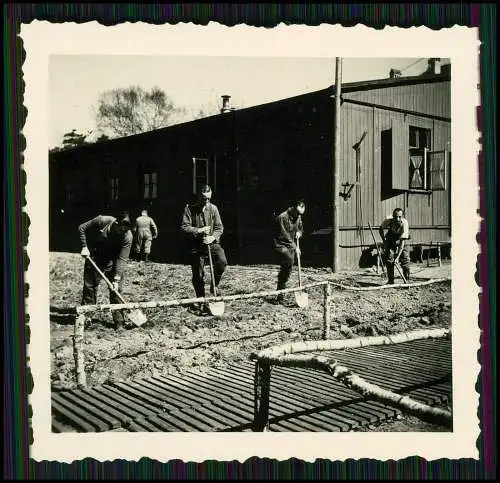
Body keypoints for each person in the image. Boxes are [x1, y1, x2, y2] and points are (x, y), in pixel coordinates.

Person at [78, 211, 133, 329]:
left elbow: (122, 258)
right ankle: (87, 317)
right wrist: (84, 246)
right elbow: (82, 228)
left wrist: (116, 279)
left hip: (113, 261)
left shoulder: (128, 236)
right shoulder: (102, 220)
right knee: (90, 287)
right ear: (116, 223)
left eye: (125, 230)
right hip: (95, 256)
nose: (122, 232)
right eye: (121, 229)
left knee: (116, 290)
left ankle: (119, 322)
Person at [180, 185, 227, 315]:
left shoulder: (213, 209)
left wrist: (212, 237)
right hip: (196, 246)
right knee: (198, 275)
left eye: (209, 199)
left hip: (211, 244)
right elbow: (184, 227)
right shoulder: (189, 209)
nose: (206, 201)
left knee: (222, 261)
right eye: (204, 198)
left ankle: (214, 284)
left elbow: (219, 227)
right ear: (199, 197)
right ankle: (201, 300)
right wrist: (198, 230)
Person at [273, 198, 306, 303]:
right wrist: (295, 247)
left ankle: (280, 294)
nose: (299, 215)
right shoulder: (282, 217)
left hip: (291, 245)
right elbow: (284, 236)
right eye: (297, 212)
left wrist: (299, 233)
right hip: (280, 245)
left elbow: (300, 228)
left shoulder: (298, 216)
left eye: (301, 213)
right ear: (293, 208)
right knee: (289, 260)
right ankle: (281, 291)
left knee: (287, 268)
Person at [378, 208, 411, 284]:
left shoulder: (405, 223)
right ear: (393, 216)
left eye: (399, 217)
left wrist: (398, 257)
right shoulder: (388, 221)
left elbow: (402, 243)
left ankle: (406, 280)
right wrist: (385, 241)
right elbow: (380, 229)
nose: (397, 219)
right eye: (395, 217)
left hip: (401, 240)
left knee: (405, 259)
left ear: (402, 216)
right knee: (389, 260)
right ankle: (390, 281)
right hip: (391, 239)